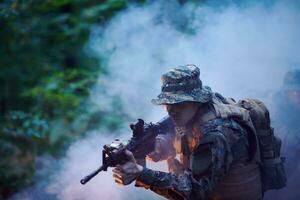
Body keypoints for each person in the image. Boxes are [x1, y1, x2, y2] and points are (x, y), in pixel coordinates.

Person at [112, 65, 262, 200]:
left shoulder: (216, 133)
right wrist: (156, 145)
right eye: (168, 103)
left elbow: (196, 191)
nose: (172, 111)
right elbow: (180, 136)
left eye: (180, 103)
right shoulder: (196, 111)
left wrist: (141, 174)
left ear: (196, 100)